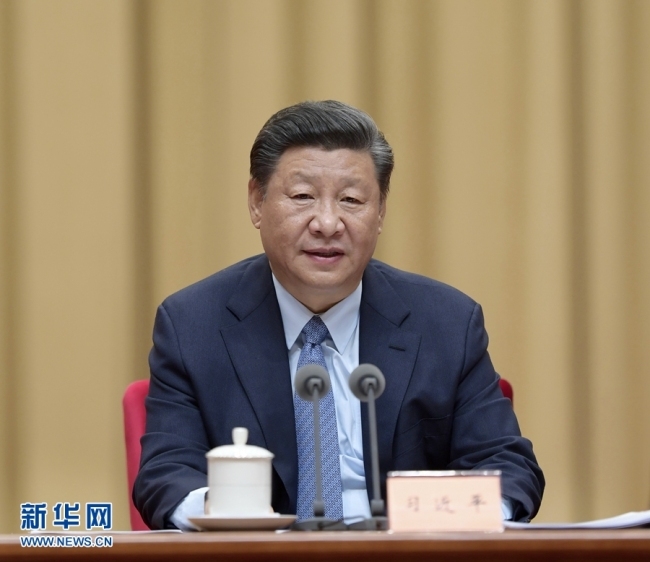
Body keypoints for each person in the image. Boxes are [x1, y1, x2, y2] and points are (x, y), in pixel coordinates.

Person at [133, 100, 544, 530]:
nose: (328, 223)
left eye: (351, 200)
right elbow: (166, 472)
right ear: (257, 201)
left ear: (381, 210)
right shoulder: (193, 325)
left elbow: (507, 466)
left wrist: (460, 518)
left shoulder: (446, 322)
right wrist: (227, 511)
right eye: (303, 196)